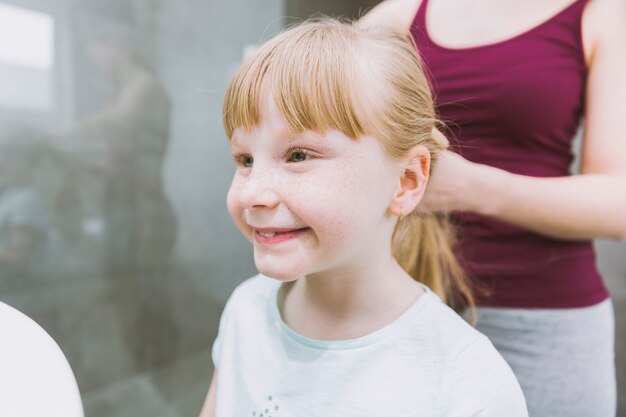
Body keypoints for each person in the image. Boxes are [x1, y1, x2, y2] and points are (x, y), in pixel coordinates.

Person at [199, 19, 528, 416]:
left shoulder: (465, 380)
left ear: (406, 182)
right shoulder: (245, 311)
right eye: (245, 159)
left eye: (299, 155)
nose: (252, 192)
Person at [361, 0, 626, 415]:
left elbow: (619, 205)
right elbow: (336, 83)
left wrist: (472, 188)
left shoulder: (600, 12)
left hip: (542, 323)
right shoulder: (410, 8)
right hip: (403, 307)